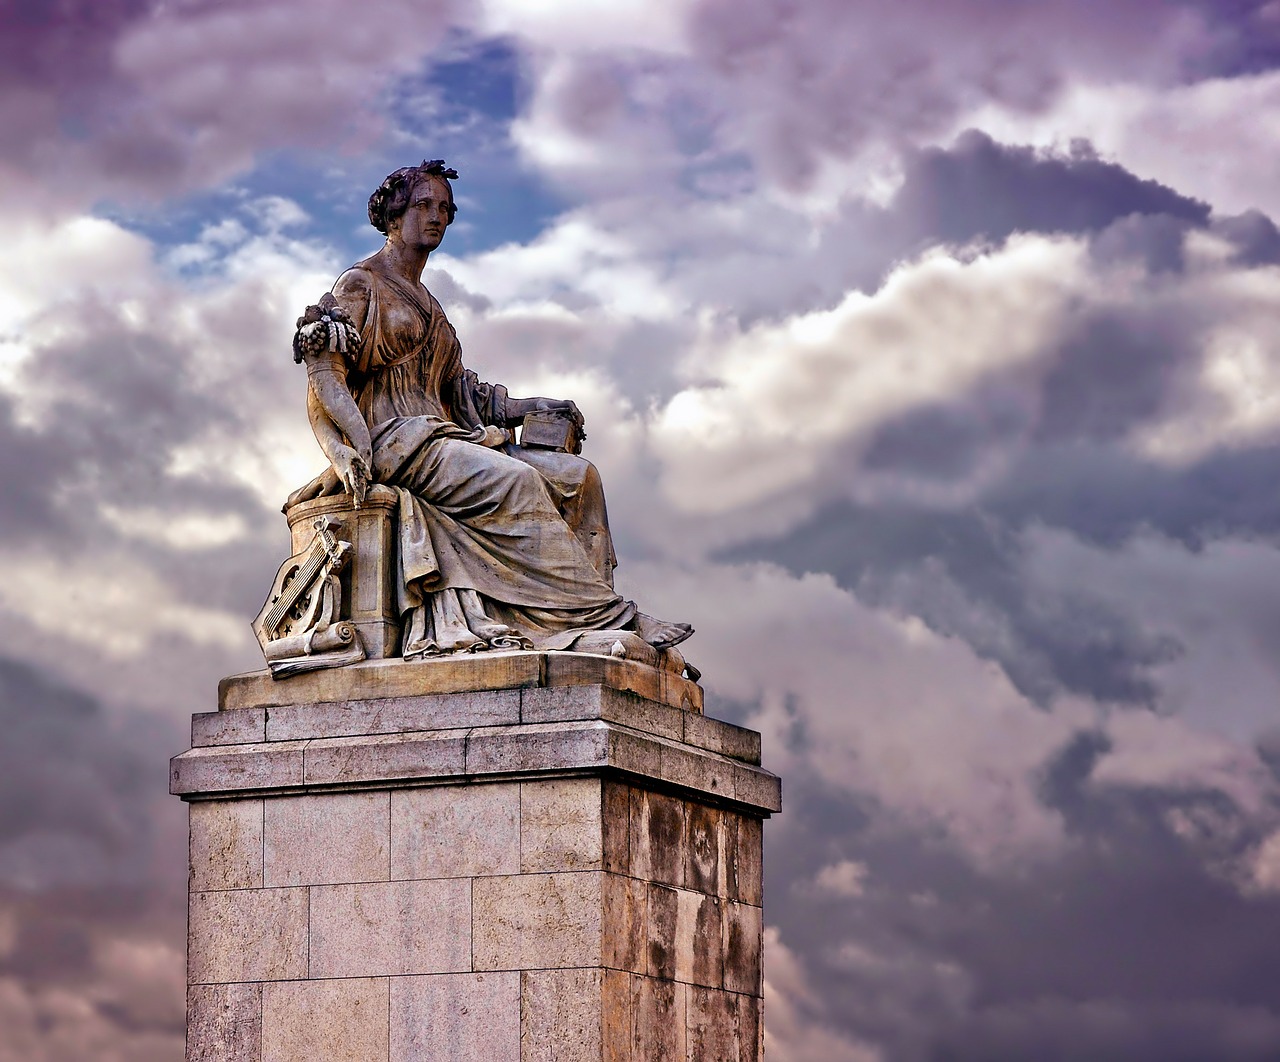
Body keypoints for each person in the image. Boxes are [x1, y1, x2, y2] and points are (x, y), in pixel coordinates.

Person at [285, 160, 691, 657]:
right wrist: (339, 449)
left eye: (444, 209)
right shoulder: (360, 284)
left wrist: (530, 407)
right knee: (516, 482)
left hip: (445, 435)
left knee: (579, 476)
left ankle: (573, 618)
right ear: (393, 214)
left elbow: (466, 394)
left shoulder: (431, 307)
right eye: (423, 205)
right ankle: (613, 617)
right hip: (396, 441)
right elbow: (322, 376)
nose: (436, 217)